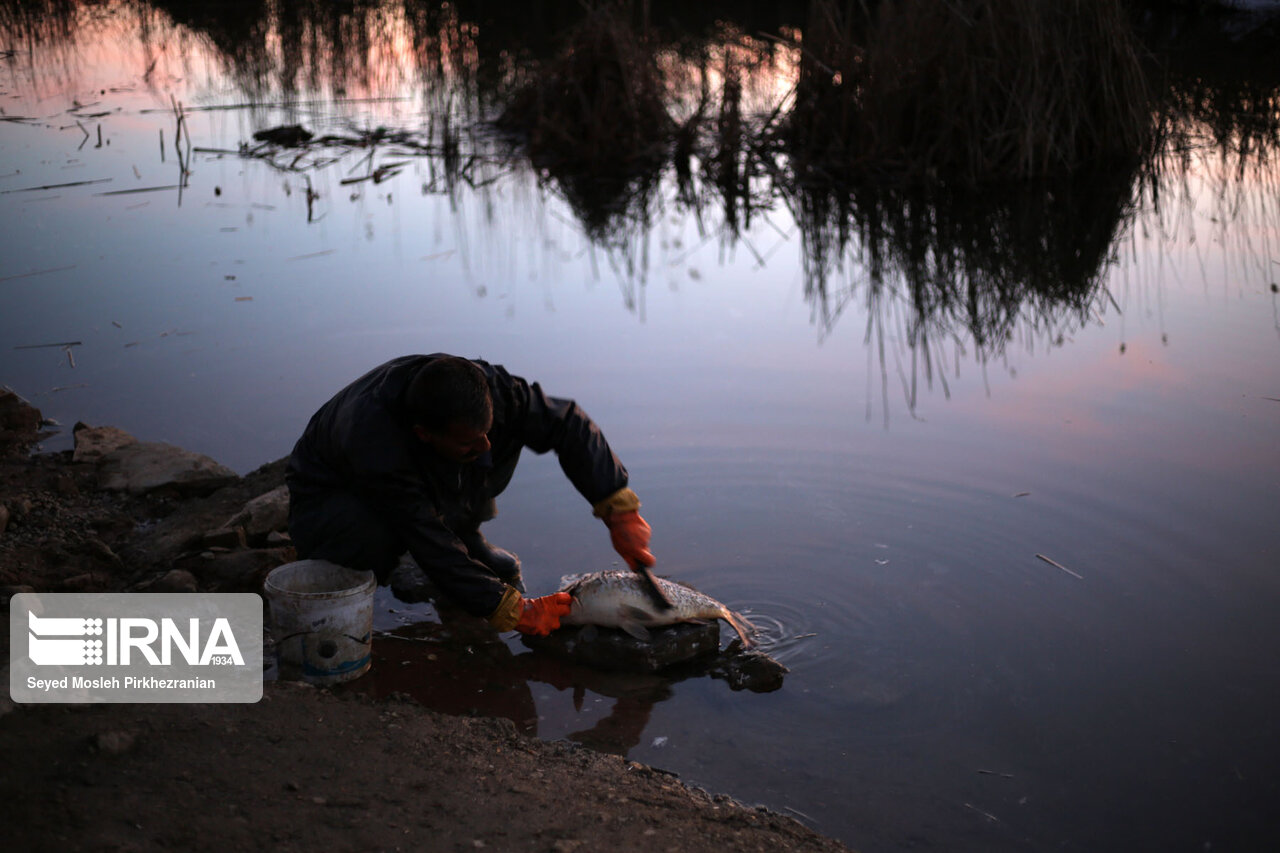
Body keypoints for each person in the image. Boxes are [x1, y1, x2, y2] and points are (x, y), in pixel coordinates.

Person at [284, 354, 655, 637]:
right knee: (374, 536)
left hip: (424, 465)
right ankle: (359, 588)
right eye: (469, 441)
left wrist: (617, 506)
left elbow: (568, 422)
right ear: (424, 433)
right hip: (329, 497)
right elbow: (423, 532)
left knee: (493, 441)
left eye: (486, 431)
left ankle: (465, 535)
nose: (486, 446)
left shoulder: (490, 391)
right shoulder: (374, 443)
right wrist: (513, 610)